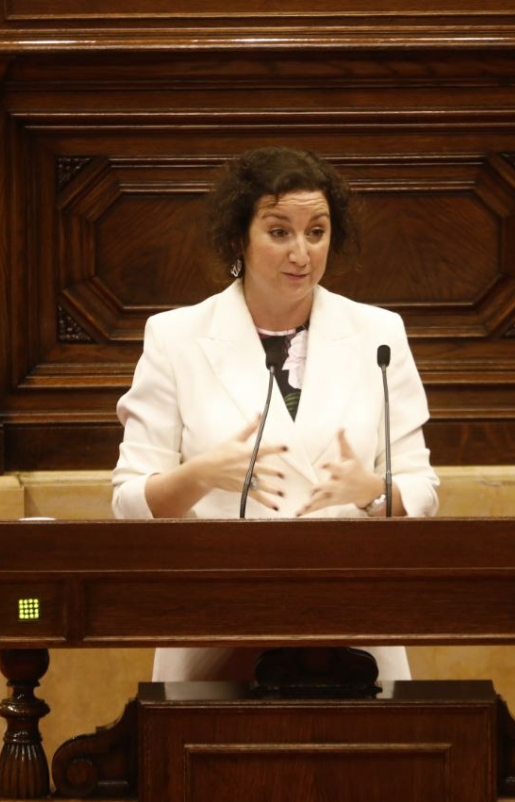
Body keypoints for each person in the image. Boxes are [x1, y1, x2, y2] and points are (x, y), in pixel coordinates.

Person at [111, 145, 439, 683]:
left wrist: (372, 491)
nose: (302, 253)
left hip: (351, 622)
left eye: (317, 231)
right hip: (220, 623)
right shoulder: (175, 337)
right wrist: (199, 476)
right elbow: (127, 501)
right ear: (240, 237)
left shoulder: (379, 335)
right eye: (280, 231)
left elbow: (422, 489)